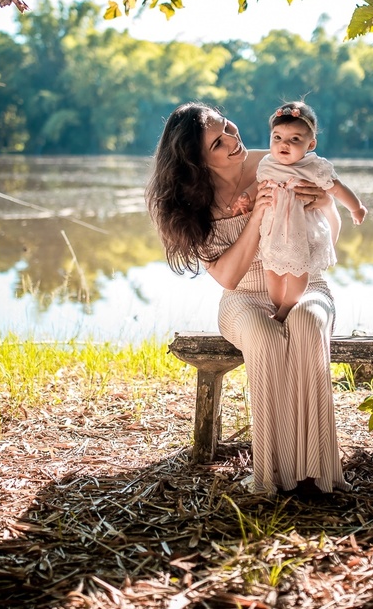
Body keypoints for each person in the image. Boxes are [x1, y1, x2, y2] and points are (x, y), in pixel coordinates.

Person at [146, 101, 350, 496]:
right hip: (242, 298)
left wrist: (326, 204)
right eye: (217, 143)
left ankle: (318, 472)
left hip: (305, 284)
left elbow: (328, 238)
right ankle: (271, 474)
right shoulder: (190, 201)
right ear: (196, 161)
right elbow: (228, 276)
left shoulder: (278, 161)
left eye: (227, 126)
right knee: (264, 336)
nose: (232, 140)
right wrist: (256, 216)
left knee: (308, 321)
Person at [257, 101, 366, 322]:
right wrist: (244, 199)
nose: (284, 144)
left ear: (311, 144)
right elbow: (257, 188)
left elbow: (338, 189)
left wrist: (356, 208)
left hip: (301, 232)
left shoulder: (314, 167)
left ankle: (287, 307)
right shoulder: (267, 164)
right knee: (271, 272)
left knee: (298, 272)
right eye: (277, 137)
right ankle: (278, 304)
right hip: (273, 231)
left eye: (294, 139)